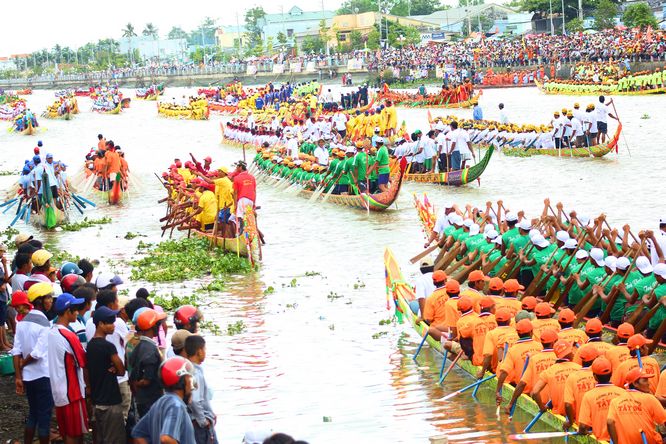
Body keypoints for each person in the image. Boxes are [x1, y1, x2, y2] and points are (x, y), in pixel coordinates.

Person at [11, 283, 54, 444]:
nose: (51, 301)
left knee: (33, 413)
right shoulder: (44, 323)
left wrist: (18, 376)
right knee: (44, 416)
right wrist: (23, 364)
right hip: (43, 375)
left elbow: (16, 350)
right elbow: (36, 353)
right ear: (40, 301)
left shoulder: (21, 322)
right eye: (48, 298)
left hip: (29, 377)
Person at [47, 292, 89, 444]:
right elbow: (84, 362)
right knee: (74, 433)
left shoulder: (51, 331)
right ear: (67, 312)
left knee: (66, 431)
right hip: (72, 392)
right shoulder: (69, 336)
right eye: (75, 309)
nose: (77, 313)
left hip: (58, 391)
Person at [131, 357, 196, 444]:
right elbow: (166, 438)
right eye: (188, 377)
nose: (190, 381)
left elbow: (138, 435)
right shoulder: (176, 405)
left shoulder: (160, 402)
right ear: (183, 380)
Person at [87, 306, 126, 444]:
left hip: (97, 401)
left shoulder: (90, 346)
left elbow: (87, 370)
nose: (113, 326)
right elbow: (121, 370)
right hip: (110, 401)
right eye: (109, 322)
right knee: (115, 438)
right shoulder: (108, 347)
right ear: (100, 324)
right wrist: (116, 367)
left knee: (101, 437)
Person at [607, 367, 666, 444]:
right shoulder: (649, 398)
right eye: (645, 380)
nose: (649, 383)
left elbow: (609, 422)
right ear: (635, 383)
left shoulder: (615, 401)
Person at [129, 308, 167, 417]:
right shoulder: (150, 350)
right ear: (153, 327)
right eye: (158, 324)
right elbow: (146, 380)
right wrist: (137, 383)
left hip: (141, 399)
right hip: (150, 400)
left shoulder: (138, 345)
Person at [577, 356, 625, 441]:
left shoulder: (589, 396)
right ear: (611, 373)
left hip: (602, 440)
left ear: (595, 376)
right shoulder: (623, 393)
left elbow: (583, 426)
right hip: (622, 440)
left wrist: (583, 431)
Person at [185, 335, 218, 444]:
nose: (205, 352)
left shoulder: (186, 368)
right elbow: (194, 400)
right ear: (199, 351)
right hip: (198, 425)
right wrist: (203, 421)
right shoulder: (195, 373)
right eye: (204, 349)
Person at [232, 160, 256, 233]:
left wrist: (235, 205)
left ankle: (242, 232)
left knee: (241, 216)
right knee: (248, 217)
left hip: (242, 199)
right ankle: (249, 232)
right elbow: (254, 191)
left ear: (240, 167)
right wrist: (254, 203)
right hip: (251, 200)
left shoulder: (236, 178)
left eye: (237, 166)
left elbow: (235, 193)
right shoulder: (252, 177)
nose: (236, 168)